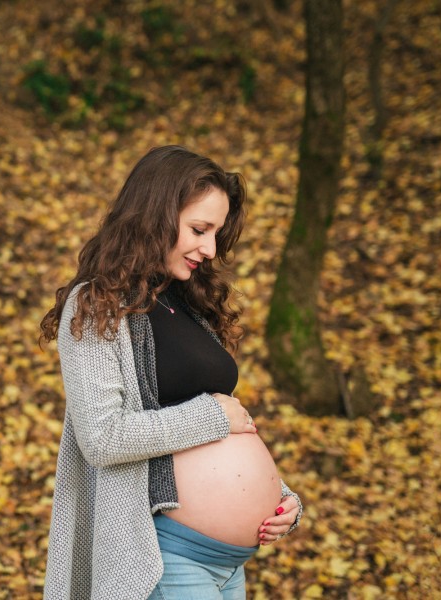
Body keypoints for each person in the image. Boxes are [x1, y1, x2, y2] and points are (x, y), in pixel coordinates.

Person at [39, 146, 302, 600]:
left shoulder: (185, 299)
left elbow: (211, 423)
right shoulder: (98, 305)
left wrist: (279, 497)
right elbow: (102, 438)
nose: (210, 248)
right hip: (163, 555)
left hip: (227, 564)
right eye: (199, 229)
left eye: (216, 233)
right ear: (155, 216)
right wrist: (215, 418)